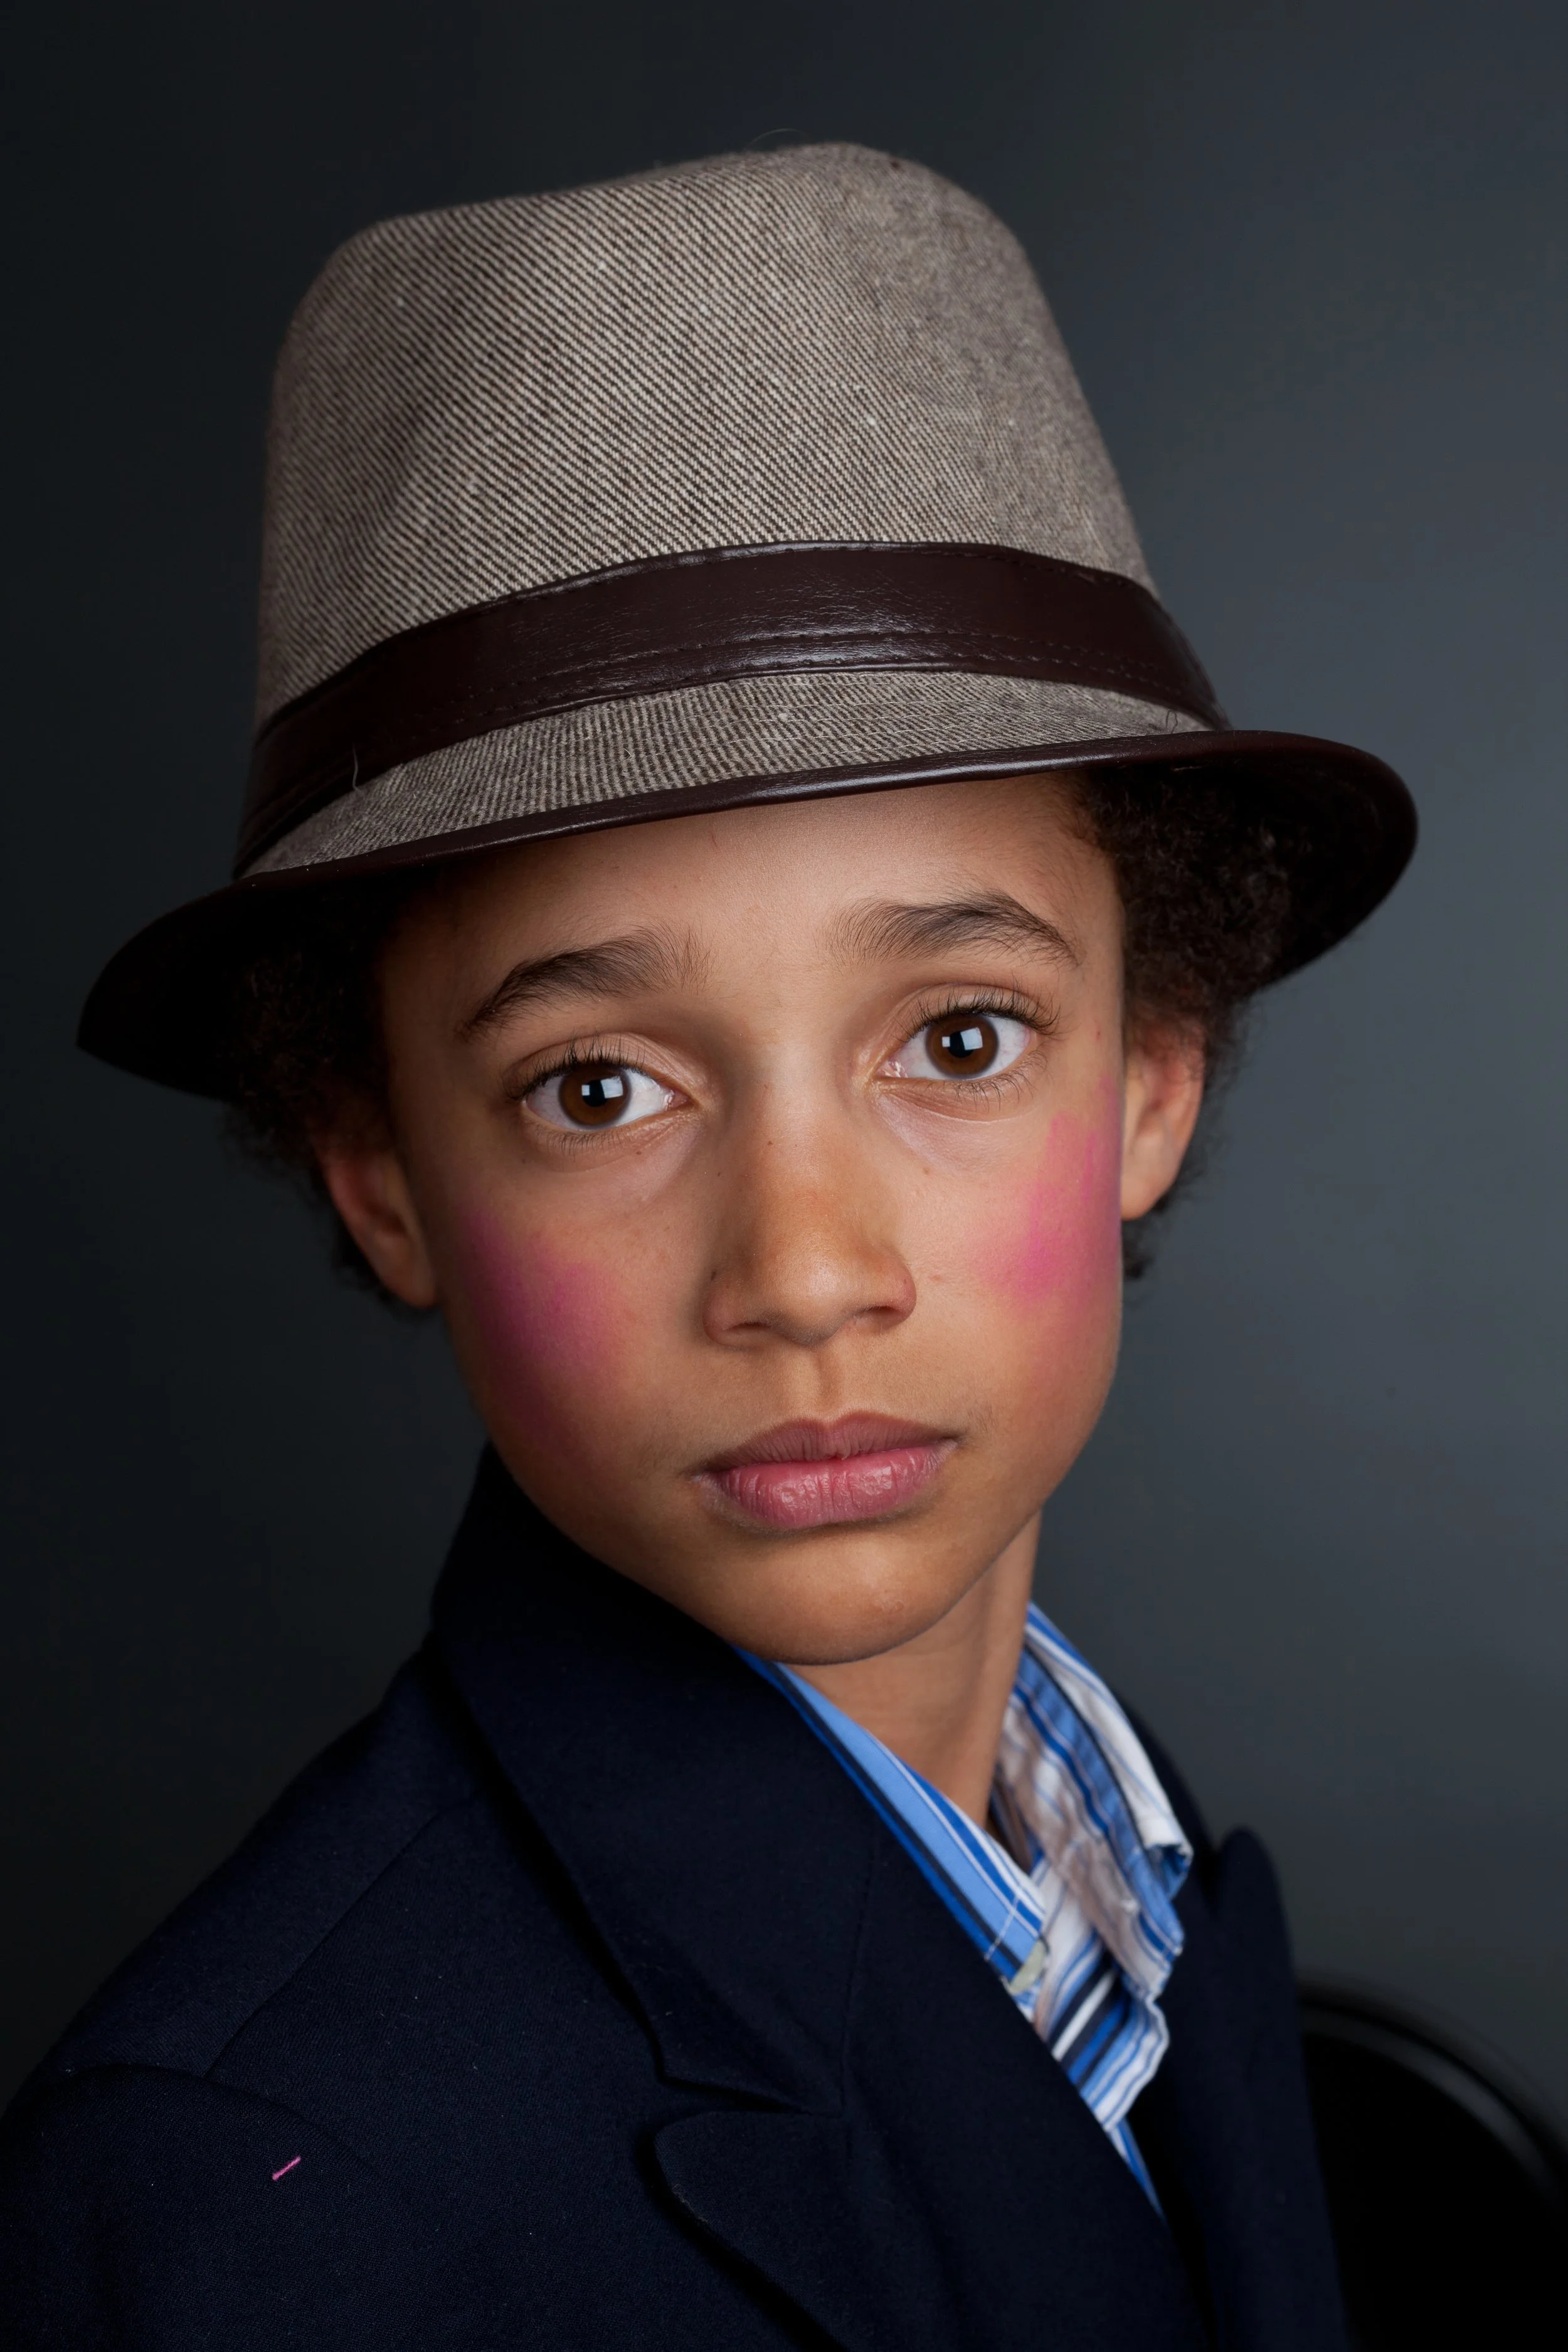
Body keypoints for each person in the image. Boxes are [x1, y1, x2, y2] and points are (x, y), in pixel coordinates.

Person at [0, 144, 1414, 2349]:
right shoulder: (247, 2208)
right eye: (599, 1088)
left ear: (1152, 1076)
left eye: (955, 1036)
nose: (805, 1264)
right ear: (381, 1174)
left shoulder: (1124, 1870)